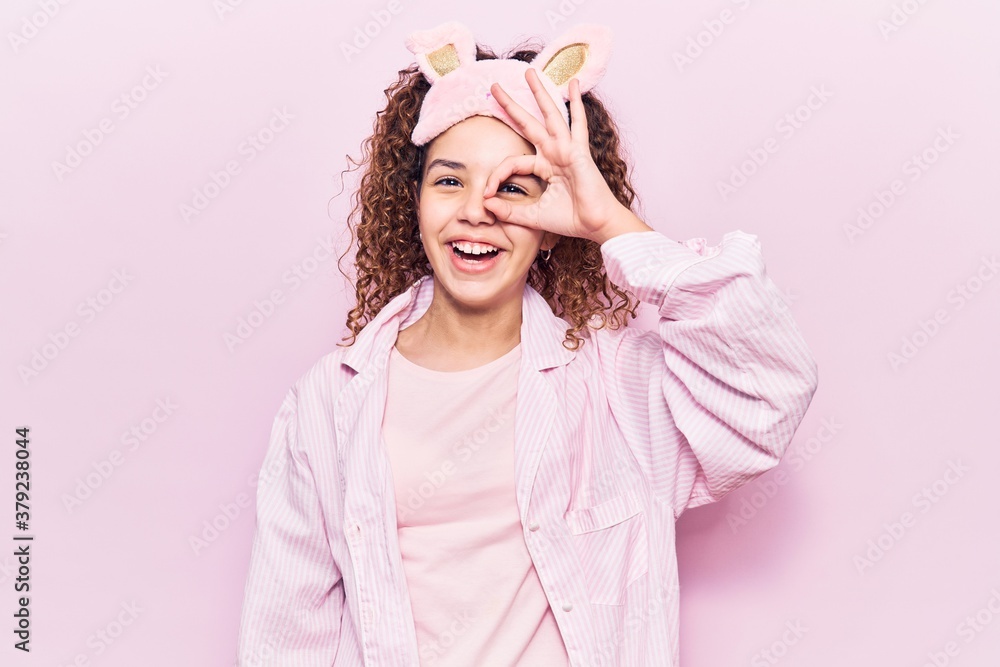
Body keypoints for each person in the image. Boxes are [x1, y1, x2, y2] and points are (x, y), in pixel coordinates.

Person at [236, 20, 819, 667]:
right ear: (414, 202)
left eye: (513, 187)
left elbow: (769, 394)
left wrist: (609, 222)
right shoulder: (326, 403)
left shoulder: (618, 385)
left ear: (550, 223)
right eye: (450, 180)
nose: (477, 209)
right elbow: (285, 636)